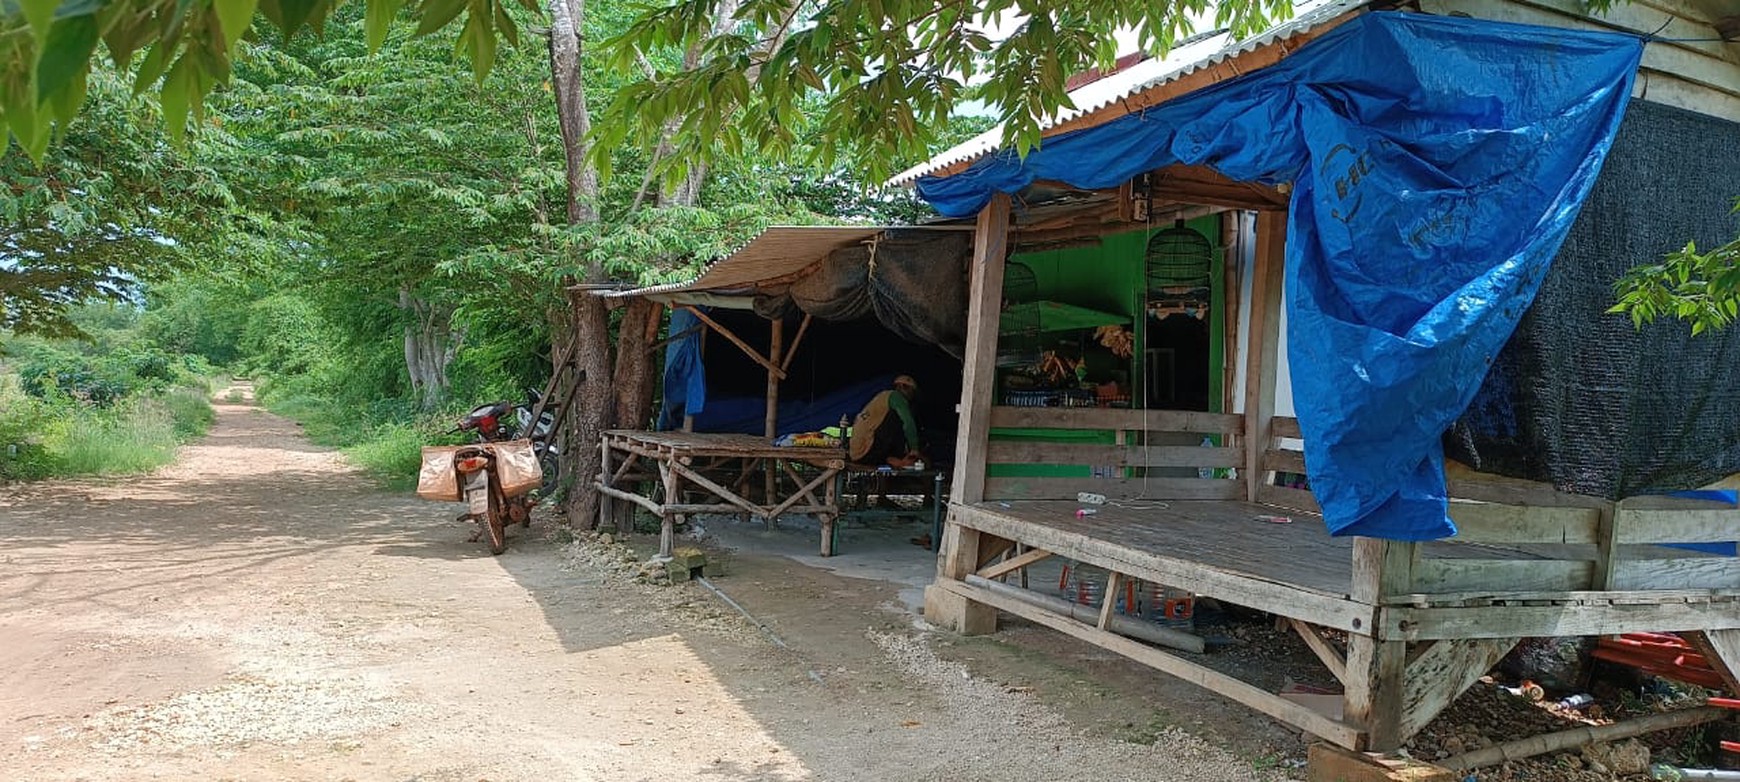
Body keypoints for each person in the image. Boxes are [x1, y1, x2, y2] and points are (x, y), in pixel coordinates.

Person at [849, 375, 923, 468]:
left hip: (856, 453)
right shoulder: (896, 397)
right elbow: (908, 423)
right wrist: (914, 448)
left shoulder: (882, 397)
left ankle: (892, 458)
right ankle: (899, 458)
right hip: (866, 451)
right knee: (899, 417)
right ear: (909, 389)